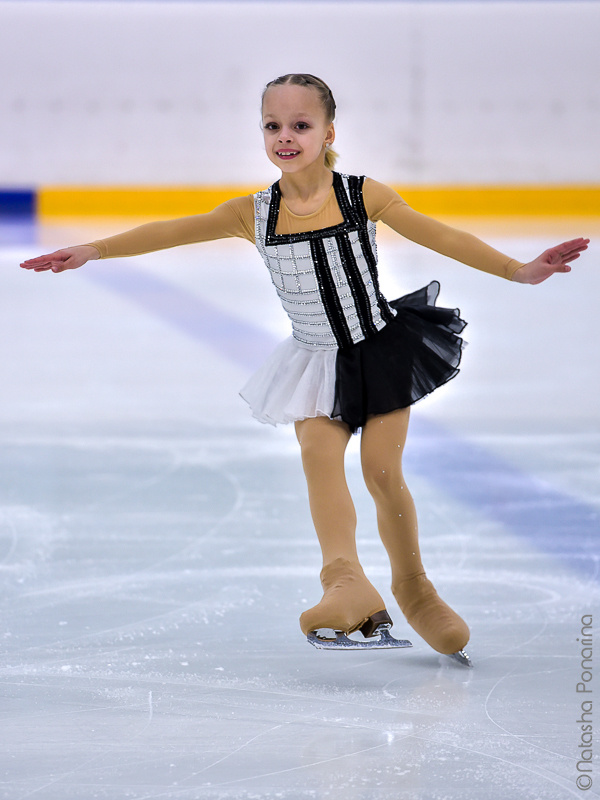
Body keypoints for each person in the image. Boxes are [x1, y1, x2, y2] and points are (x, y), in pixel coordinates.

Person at [21, 73, 589, 666]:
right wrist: (91, 250)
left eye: (300, 125)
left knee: (380, 470)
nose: (285, 137)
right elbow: (170, 231)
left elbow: (438, 233)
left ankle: (414, 587)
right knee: (319, 458)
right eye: (273, 125)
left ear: (328, 132)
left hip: (381, 349)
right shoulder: (254, 213)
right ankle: (345, 582)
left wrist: (517, 269)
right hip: (314, 361)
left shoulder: (361, 195)